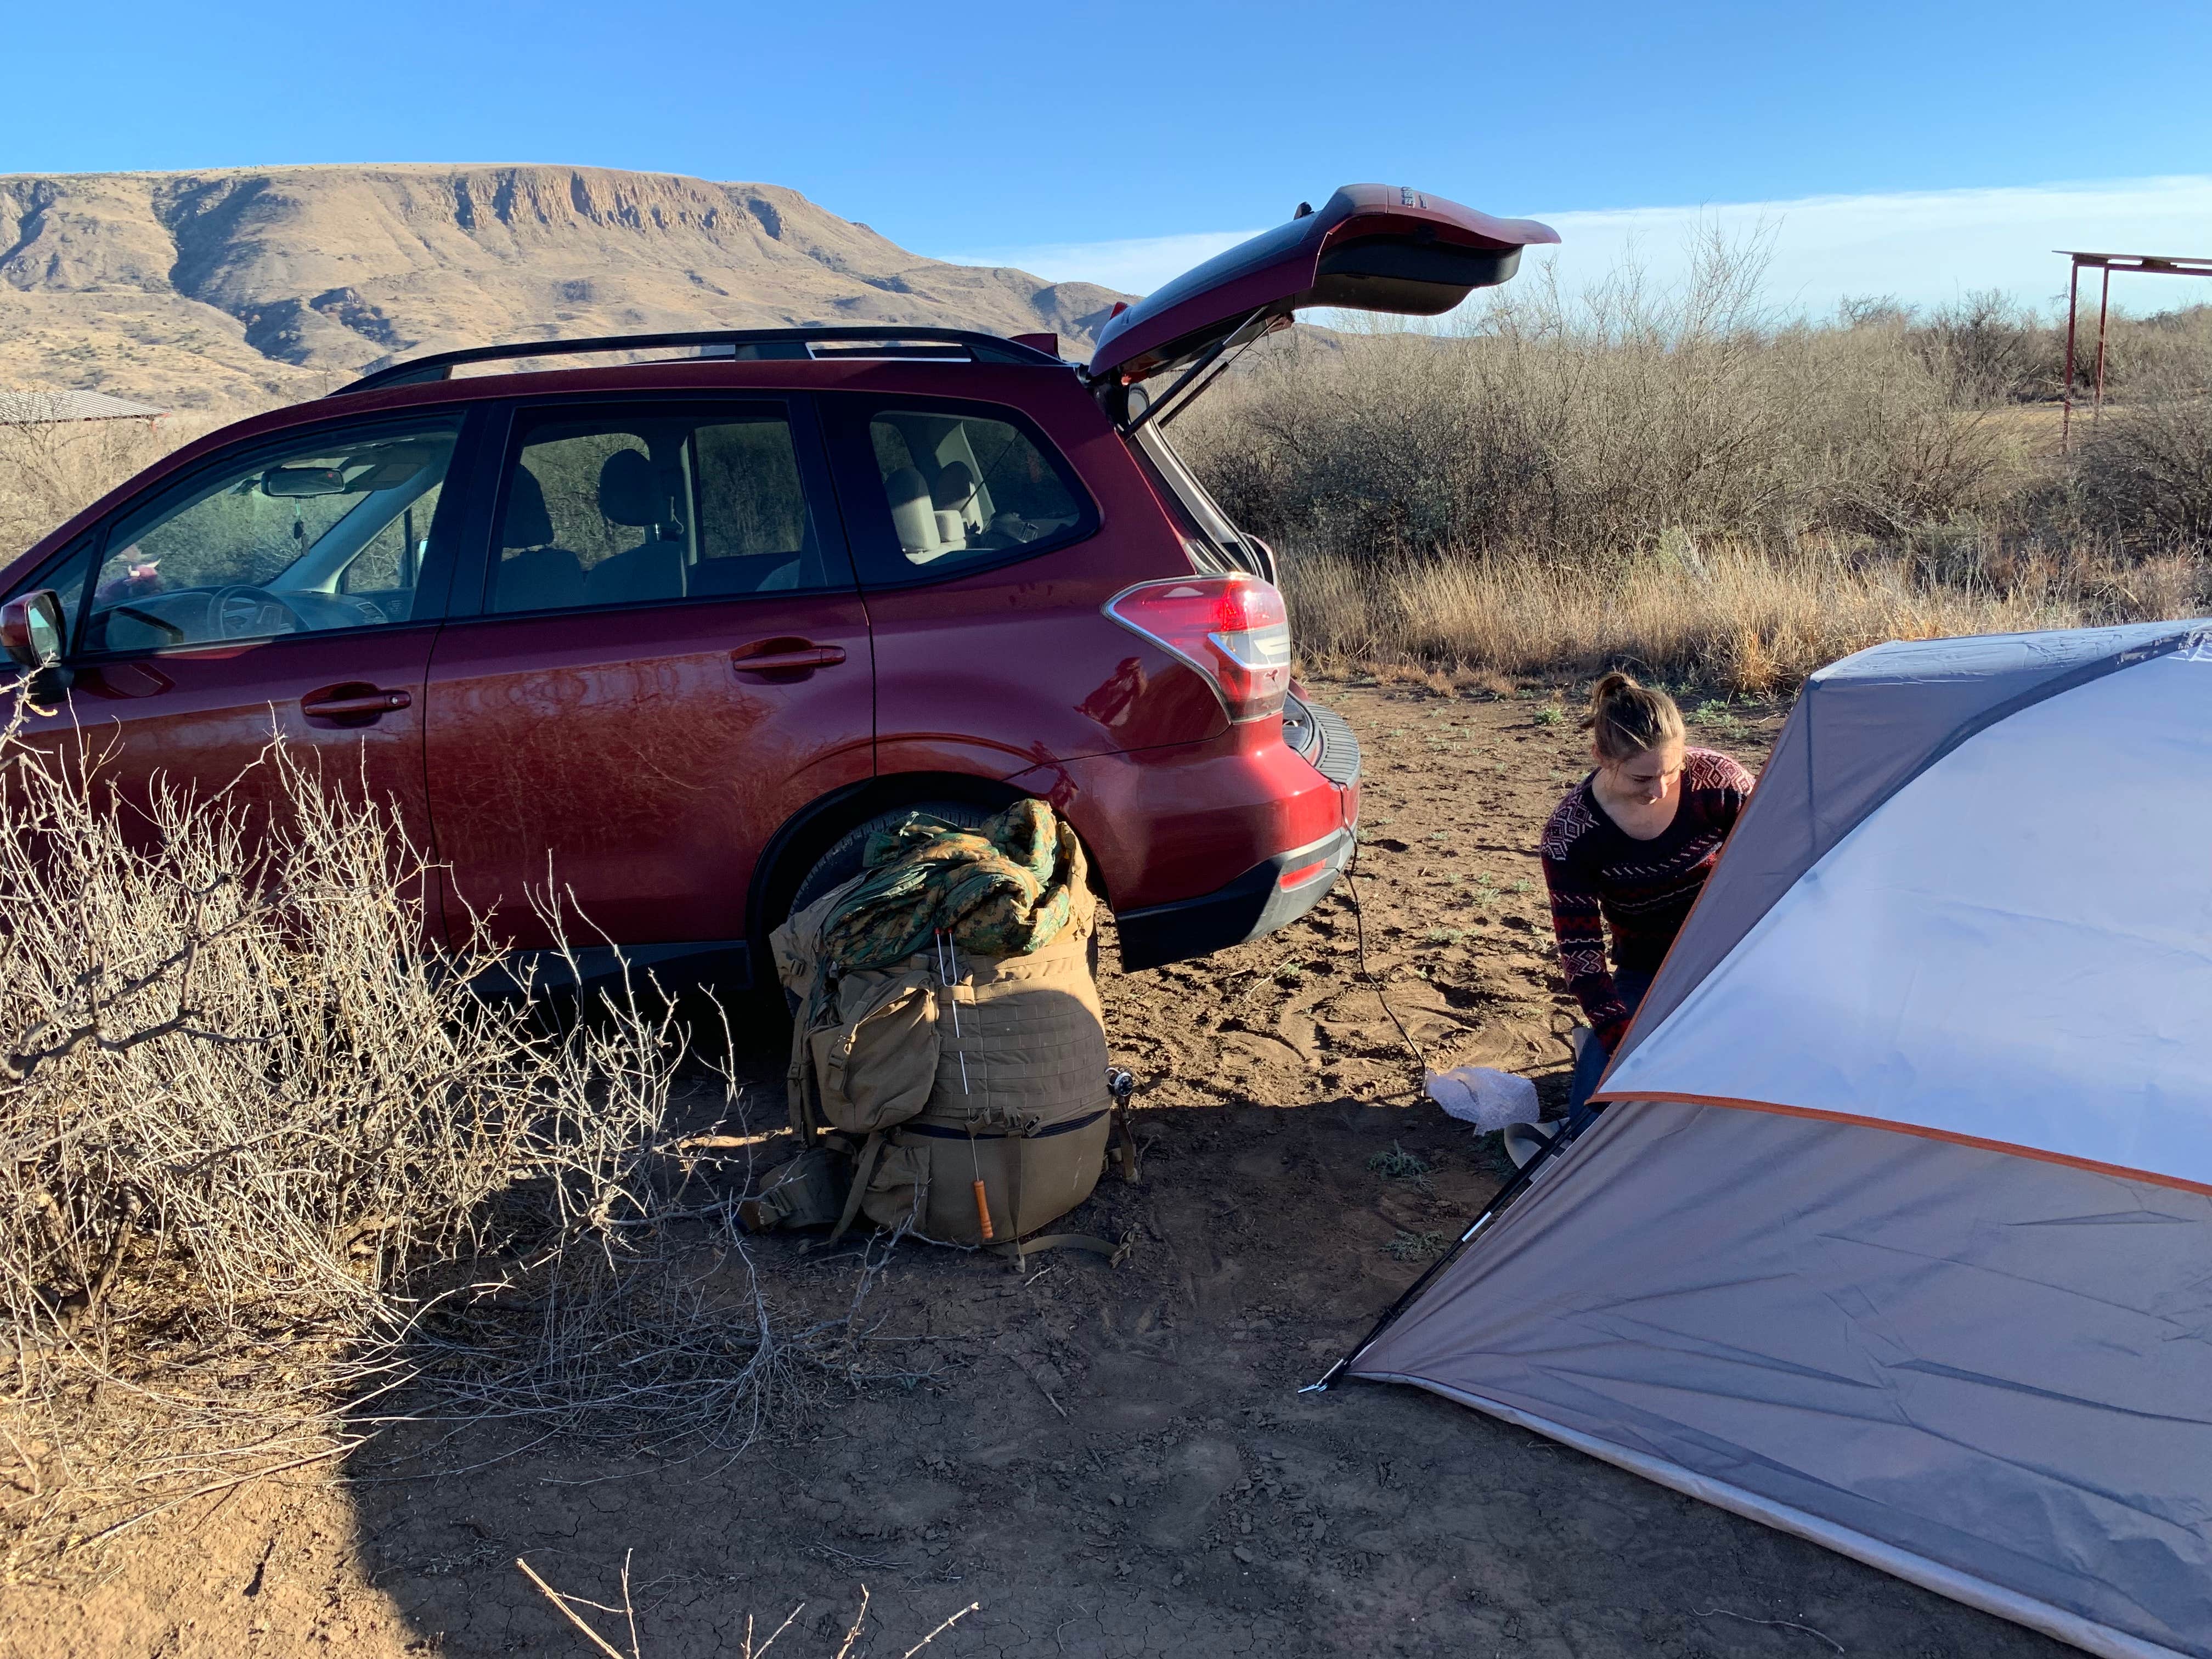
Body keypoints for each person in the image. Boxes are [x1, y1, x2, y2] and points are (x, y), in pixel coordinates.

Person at [1507, 672, 1755, 1166]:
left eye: (1672, 771)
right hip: (1648, 968)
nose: (1659, 789)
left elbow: (1782, 857)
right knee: (1592, 1128)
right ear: (1602, 758)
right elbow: (1582, 960)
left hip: (1735, 955)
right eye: (1642, 778)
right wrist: (1619, 1037)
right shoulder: (1570, 833)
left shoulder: (1720, 782)